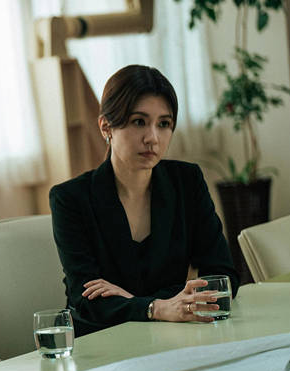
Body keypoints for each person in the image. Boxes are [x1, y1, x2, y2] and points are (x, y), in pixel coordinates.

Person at [49, 65, 239, 336]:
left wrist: (131, 300)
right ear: (106, 127)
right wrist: (155, 307)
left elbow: (223, 278)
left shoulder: (187, 182)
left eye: (164, 124)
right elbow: (86, 301)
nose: (153, 138)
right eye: (139, 122)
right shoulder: (70, 199)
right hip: (102, 342)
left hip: (172, 336)